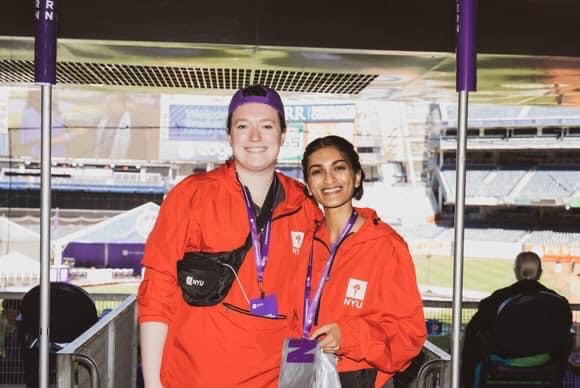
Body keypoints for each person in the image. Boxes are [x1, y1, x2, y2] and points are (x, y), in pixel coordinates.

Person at [137, 85, 321, 387]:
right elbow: (157, 292)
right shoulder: (191, 196)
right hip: (194, 379)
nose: (255, 137)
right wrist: (154, 382)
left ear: (283, 135)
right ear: (229, 135)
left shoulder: (305, 205)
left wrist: (298, 382)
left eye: (267, 126)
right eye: (243, 126)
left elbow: (309, 306)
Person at [300, 135, 426, 388]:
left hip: (359, 378)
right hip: (300, 371)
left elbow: (409, 335)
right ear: (308, 184)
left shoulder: (386, 246)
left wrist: (348, 336)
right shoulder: (301, 243)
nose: (328, 179)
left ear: (357, 176)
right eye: (317, 171)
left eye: (339, 168)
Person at [461, 251, 572, 387]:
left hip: (505, 356)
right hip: (546, 358)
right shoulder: (558, 302)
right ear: (540, 272)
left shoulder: (497, 298)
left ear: (516, 272)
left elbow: (474, 328)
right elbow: (565, 330)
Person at [94, 93, 132, 159]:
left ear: (122, 104)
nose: (109, 106)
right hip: (101, 159)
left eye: (112, 102)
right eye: (108, 103)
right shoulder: (102, 119)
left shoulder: (132, 123)